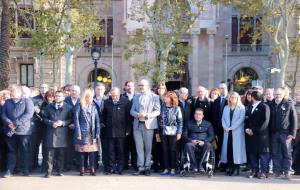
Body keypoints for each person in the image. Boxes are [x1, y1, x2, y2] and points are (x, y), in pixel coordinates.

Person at [1, 85, 34, 177]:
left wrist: (16, 123)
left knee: (25, 151)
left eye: (13, 92)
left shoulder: (27, 101)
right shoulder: (7, 102)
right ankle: (9, 171)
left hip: (23, 131)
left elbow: (29, 114)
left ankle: (25, 170)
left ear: (19, 92)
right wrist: (9, 122)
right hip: (10, 130)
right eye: (11, 92)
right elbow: (3, 114)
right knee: (11, 151)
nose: (11, 94)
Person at [131, 79, 161, 176]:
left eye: (142, 85)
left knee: (148, 148)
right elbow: (131, 111)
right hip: (137, 125)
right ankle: (140, 167)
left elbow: (157, 111)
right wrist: (137, 114)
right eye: (139, 85)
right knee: (139, 147)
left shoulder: (155, 97)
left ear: (147, 86)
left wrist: (147, 115)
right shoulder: (135, 97)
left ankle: (147, 167)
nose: (140, 87)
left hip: (149, 125)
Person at [269, 87, 297, 180]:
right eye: (276, 94)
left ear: (283, 94)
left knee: (287, 153)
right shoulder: (270, 105)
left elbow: (294, 120)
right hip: (274, 133)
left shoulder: (289, 104)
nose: (277, 96)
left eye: (279, 94)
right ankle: (277, 172)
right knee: (275, 153)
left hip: (286, 133)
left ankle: (287, 172)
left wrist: (292, 133)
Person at [43, 90, 73, 178]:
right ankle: (48, 172)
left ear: (63, 97)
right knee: (49, 155)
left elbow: (71, 119)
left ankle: (59, 171)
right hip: (51, 133)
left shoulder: (68, 107)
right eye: (56, 96)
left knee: (61, 154)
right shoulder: (49, 106)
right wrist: (51, 123)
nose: (57, 97)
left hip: (62, 133)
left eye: (59, 96)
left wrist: (63, 123)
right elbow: (44, 118)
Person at [102, 87, 131, 175]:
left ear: (119, 94)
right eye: (112, 96)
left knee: (121, 150)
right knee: (110, 150)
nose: (114, 97)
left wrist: (128, 129)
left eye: (116, 96)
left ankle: (120, 168)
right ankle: (111, 167)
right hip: (109, 131)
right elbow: (103, 115)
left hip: (121, 131)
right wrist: (103, 124)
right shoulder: (107, 102)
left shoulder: (125, 102)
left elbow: (128, 117)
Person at [74, 89, 100, 176]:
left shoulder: (93, 106)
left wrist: (98, 131)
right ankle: (82, 169)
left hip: (91, 132)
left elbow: (97, 121)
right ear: (87, 97)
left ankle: (92, 169)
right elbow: (76, 121)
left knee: (92, 152)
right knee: (82, 151)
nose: (92, 98)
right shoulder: (79, 106)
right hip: (82, 132)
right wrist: (78, 133)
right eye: (91, 97)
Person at [245, 91, 271, 179]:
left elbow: (265, 122)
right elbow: (246, 119)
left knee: (263, 154)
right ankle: (254, 170)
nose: (249, 98)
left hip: (261, 135)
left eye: (250, 96)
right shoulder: (249, 107)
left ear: (253, 97)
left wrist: (254, 131)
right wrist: (247, 129)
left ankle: (264, 172)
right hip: (250, 135)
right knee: (252, 153)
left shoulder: (264, 106)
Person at [157, 91, 183, 176]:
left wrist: (179, 132)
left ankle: (172, 168)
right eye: (165, 97)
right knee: (164, 150)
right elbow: (158, 120)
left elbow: (180, 122)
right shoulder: (162, 107)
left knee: (172, 150)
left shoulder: (177, 108)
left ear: (171, 98)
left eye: (167, 97)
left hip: (173, 132)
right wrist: (157, 132)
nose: (165, 98)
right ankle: (165, 168)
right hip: (163, 131)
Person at [220, 92, 246, 176]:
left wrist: (231, 128)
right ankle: (230, 167)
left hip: (237, 132)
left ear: (238, 98)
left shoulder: (241, 107)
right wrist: (225, 127)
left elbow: (241, 120)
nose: (233, 98)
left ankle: (236, 169)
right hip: (227, 132)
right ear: (229, 98)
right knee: (229, 150)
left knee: (236, 151)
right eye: (231, 97)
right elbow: (223, 118)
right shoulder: (226, 108)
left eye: (235, 97)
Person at [30, 83, 49, 171]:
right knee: (35, 146)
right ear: (39, 89)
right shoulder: (34, 99)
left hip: (47, 127)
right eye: (42, 87)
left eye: (45, 87)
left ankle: (45, 165)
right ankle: (34, 164)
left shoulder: (50, 98)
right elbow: (33, 112)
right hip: (37, 126)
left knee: (46, 147)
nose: (43, 89)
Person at [211, 83, 228, 170]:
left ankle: (225, 165)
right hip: (217, 129)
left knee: (226, 147)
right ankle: (217, 164)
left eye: (224, 88)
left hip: (228, 129)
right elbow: (213, 116)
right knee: (217, 147)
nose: (223, 90)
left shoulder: (230, 100)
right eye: (221, 88)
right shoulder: (215, 101)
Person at [64, 85, 81, 171]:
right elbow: (64, 113)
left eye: (75, 91)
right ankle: (68, 165)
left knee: (78, 147)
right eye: (72, 91)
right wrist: (69, 123)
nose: (74, 92)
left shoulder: (82, 100)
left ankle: (78, 165)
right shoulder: (66, 100)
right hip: (68, 127)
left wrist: (76, 124)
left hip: (79, 128)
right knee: (69, 147)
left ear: (79, 92)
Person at [122, 81, 137, 171]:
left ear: (134, 87)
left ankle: (135, 164)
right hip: (124, 125)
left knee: (135, 146)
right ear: (125, 87)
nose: (130, 87)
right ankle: (125, 164)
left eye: (131, 86)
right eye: (128, 86)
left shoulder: (138, 96)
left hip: (136, 125)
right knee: (125, 146)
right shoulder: (122, 97)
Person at [93, 82, 108, 172]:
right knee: (94, 146)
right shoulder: (91, 100)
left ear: (104, 90)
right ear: (95, 90)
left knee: (105, 146)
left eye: (101, 89)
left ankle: (105, 164)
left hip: (105, 126)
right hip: (94, 126)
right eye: (98, 89)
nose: (99, 91)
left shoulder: (107, 100)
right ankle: (94, 165)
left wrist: (103, 122)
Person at [152, 83, 167, 172]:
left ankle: (163, 164)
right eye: (159, 88)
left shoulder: (166, 98)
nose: (160, 90)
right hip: (154, 124)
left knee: (163, 146)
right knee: (155, 146)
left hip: (164, 126)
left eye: (162, 88)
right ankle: (155, 163)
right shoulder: (153, 98)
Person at [0, 90, 10, 172]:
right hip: (1, 132)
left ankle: (8, 167)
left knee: (9, 150)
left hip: (9, 131)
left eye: (7, 98)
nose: (6, 100)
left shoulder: (11, 106)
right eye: (4, 98)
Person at [293, 91, 300, 175]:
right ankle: (296, 169)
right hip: (295, 131)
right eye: (296, 95)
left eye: (299, 95)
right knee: (296, 151)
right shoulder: (293, 106)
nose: (298, 96)